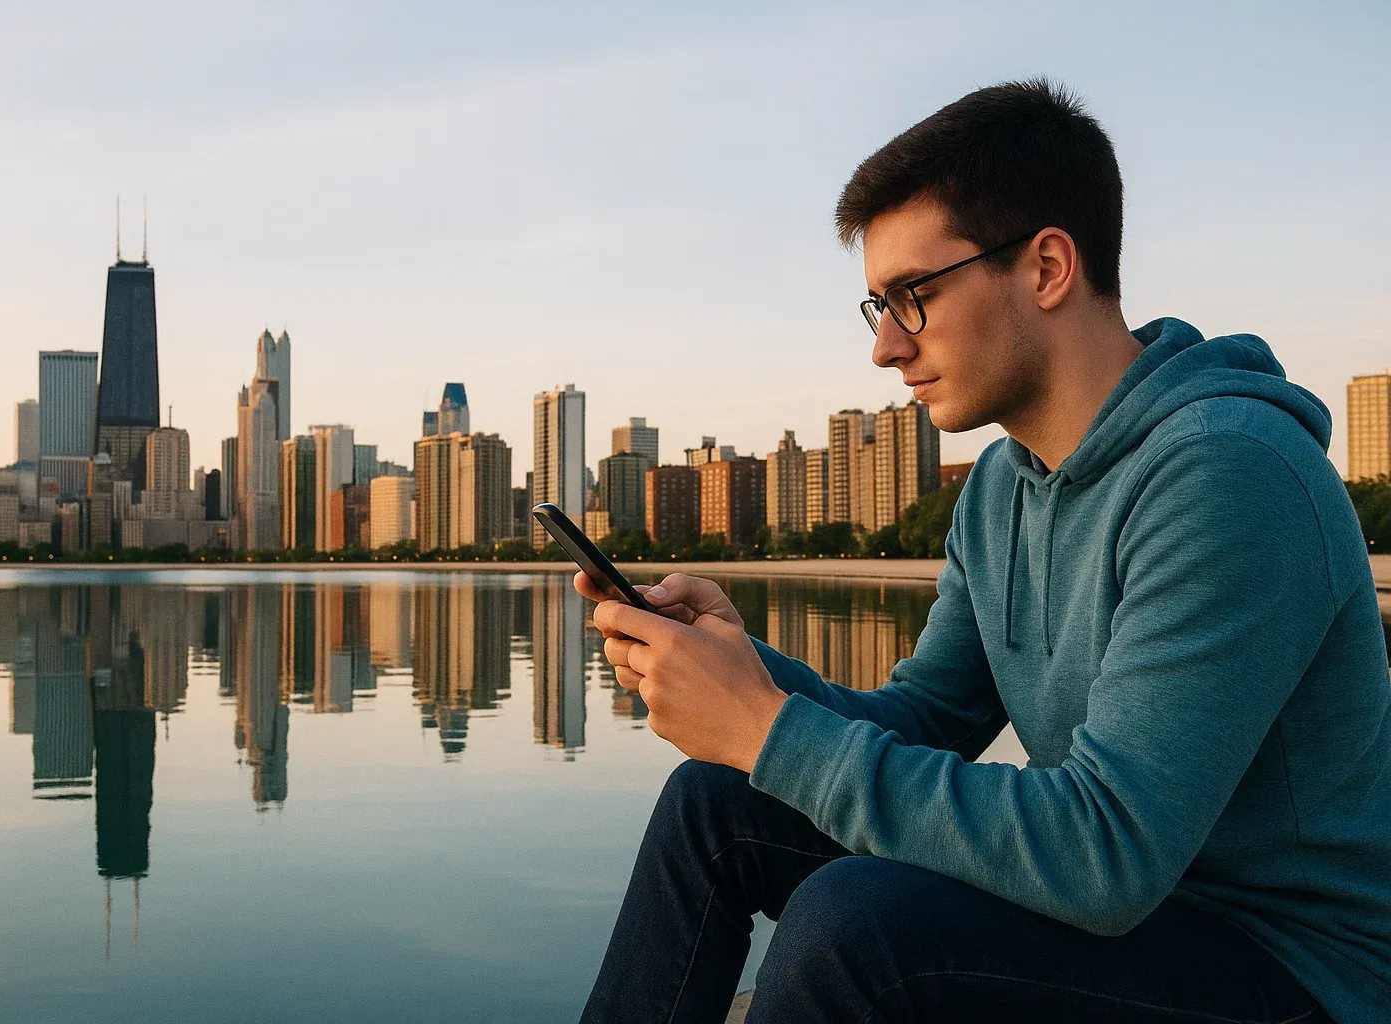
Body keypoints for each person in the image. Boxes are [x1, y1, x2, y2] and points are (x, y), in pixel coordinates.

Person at [575, 78, 1391, 1024]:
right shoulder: (1003, 483)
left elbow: (1108, 851)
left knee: (859, 924)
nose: (884, 346)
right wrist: (741, 669)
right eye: (876, 305)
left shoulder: (1228, 471)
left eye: (913, 297)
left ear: (1046, 268)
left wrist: (764, 726)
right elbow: (925, 718)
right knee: (715, 804)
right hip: (1132, 924)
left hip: (1292, 968)